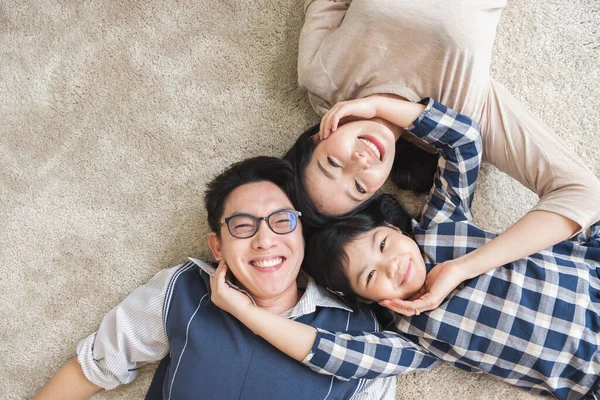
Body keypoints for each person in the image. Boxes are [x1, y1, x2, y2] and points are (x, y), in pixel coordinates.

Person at [211, 100, 600, 399]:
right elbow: (331, 354)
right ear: (362, 298)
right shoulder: (413, 336)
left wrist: (377, 109)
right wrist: (243, 311)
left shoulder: (440, 227)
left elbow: (462, 140)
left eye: (383, 245)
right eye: (371, 277)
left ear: (394, 227)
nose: (392, 267)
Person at [285, 0, 600, 311]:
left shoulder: (319, 76)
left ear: (316, 139)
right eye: (359, 187)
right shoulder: (464, 118)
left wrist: (376, 106)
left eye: (333, 164)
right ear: (379, 190)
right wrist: (464, 268)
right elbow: (583, 195)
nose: (361, 162)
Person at [32, 156, 397, 400]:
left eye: (282, 220)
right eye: (242, 226)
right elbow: (92, 368)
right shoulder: (183, 290)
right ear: (218, 247)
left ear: (302, 232)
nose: (265, 239)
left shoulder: (361, 335)